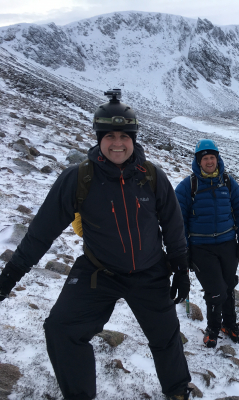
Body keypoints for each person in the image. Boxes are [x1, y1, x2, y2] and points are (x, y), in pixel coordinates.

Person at [0, 89, 192, 400]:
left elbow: (173, 225)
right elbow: (40, 233)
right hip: (99, 272)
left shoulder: (152, 176)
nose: (118, 143)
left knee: (166, 336)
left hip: (150, 271)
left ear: (134, 138)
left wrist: (180, 267)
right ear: (98, 138)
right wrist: (9, 277)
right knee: (61, 330)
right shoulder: (78, 179)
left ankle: (177, 391)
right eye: (110, 135)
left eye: (124, 135)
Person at [175, 139, 239, 348]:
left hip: (227, 244)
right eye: (205, 158)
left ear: (218, 159)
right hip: (201, 248)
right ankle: (213, 328)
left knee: (228, 286)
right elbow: (177, 220)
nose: (209, 161)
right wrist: (184, 250)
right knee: (216, 290)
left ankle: (230, 325)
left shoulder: (227, 182)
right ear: (199, 161)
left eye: (212, 157)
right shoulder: (188, 186)